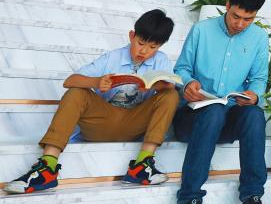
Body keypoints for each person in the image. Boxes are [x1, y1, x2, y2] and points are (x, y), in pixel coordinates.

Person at [3, 10, 178, 194]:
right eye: (140, 43)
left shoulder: (161, 60)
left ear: (160, 46)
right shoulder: (112, 58)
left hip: (135, 125)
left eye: (152, 47)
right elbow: (69, 81)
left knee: (171, 95)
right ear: (131, 36)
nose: (144, 51)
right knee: (76, 92)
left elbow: (171, 85)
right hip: (102, 122)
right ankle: (47, 167)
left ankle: (142, 165)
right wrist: (96, 82)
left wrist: (155, 85)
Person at [173, 0, 269, 204]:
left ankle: (252, 193)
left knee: (255, 114)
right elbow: (181, 69)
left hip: (227, 120)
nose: (240, 24)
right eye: (236, 16)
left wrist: (254, 95)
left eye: (248, 19)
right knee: (214, 110)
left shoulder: (259, 38)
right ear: (227, 5)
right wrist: (188, 83)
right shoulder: (201, 30)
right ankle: (189, 197)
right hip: (193, 119)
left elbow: (258, 79)